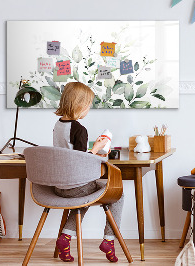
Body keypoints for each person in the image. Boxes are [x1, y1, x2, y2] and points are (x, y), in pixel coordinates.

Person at [53, 82, 123, 263]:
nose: (88, 109)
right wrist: (98, 148)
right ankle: (109, 240)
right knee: (118, 194)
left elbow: (70, 154)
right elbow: (81, 161)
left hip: (59, 186)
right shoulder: (79, 129)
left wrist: (92, 150)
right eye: (88, 105)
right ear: (79, 105)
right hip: (76, 186)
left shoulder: (58, 125)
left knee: (83, 197)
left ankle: (65, 238)